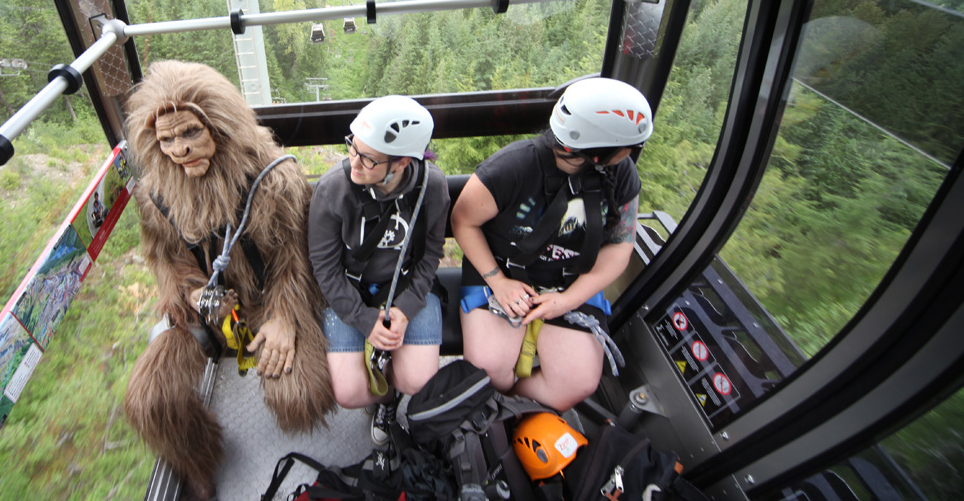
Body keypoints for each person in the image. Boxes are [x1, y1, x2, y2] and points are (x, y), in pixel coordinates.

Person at [122, 61, 335, 500]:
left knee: (298, 394)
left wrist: (285, 318)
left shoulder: (274, 177)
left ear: (219, 127)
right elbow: (162, 258)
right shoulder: (155, 195)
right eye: (167, 140)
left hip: (265, 299)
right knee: (150, 399)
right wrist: (192, 290)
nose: (179, 150)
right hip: (204, 308)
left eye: (189, 134)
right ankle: (198, 463)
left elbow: (297, 258)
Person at [451, 77, 653, 412]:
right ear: (599, 154)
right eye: (631, 145)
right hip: (503, 269)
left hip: (569, 279)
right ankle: (496, 404)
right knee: (489, 370)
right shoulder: (512, 167)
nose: (631, 153)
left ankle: (510, 409)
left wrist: (567, 300)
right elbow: (463, 220)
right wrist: (497, 281)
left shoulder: (622, 174)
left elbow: (620, 246)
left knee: (577, 383)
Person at [309, 95, 450, 445]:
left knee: (417, 382)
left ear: (402, 162)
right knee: (350, 393)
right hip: (350, 292)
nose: (353, 163)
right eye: (352, 148)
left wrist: (406, 309)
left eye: (367, 158)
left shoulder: (430, 188)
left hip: (406, 288)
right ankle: (385, 397)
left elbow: (431, 255)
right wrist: (363, 319)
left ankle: (393, 395)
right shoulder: (333, 190)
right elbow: (324, 268)